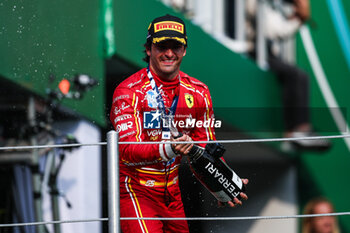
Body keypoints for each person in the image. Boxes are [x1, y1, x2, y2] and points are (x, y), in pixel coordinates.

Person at [110, 14, 248, 233]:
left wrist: (222, 181)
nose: (169, 53)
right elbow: (126, 150)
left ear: (184, 50)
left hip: (172, 195)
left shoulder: (199, 92)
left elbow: (205, 148)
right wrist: (170, 148)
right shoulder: (129, 91)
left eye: (175, 46)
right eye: (161, 46)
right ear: (148, 49)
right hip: (136, 190)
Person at [246, 0, 331, 151]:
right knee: (296, 75)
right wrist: (299, 14)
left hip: (266, 53)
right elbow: (273, 30)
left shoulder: (271, 6)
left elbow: (279, 29)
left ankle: (300, 130)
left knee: (300, 76)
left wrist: (298, 18)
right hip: (253, 51)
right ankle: (298, 130)